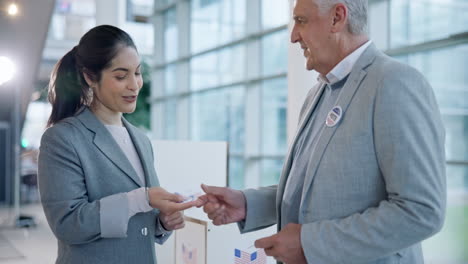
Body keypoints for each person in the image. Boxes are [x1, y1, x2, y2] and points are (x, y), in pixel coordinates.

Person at [199, 0, 446, 263]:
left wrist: (310, 243)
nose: (294, 36)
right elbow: (314, 190)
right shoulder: (318, 93)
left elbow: (421, 211)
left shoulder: (394, 83)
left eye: (301, 21)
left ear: (337, 18)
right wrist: (249, 204)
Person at [38, 25, 201, 264]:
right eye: (121, 76)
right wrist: (140, 199)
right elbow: (68, 224)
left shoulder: (141, 140)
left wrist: (163, 223)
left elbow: (140, 221)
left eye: (137, 72)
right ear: (89, 77)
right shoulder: (63, 138)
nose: (134, 85)